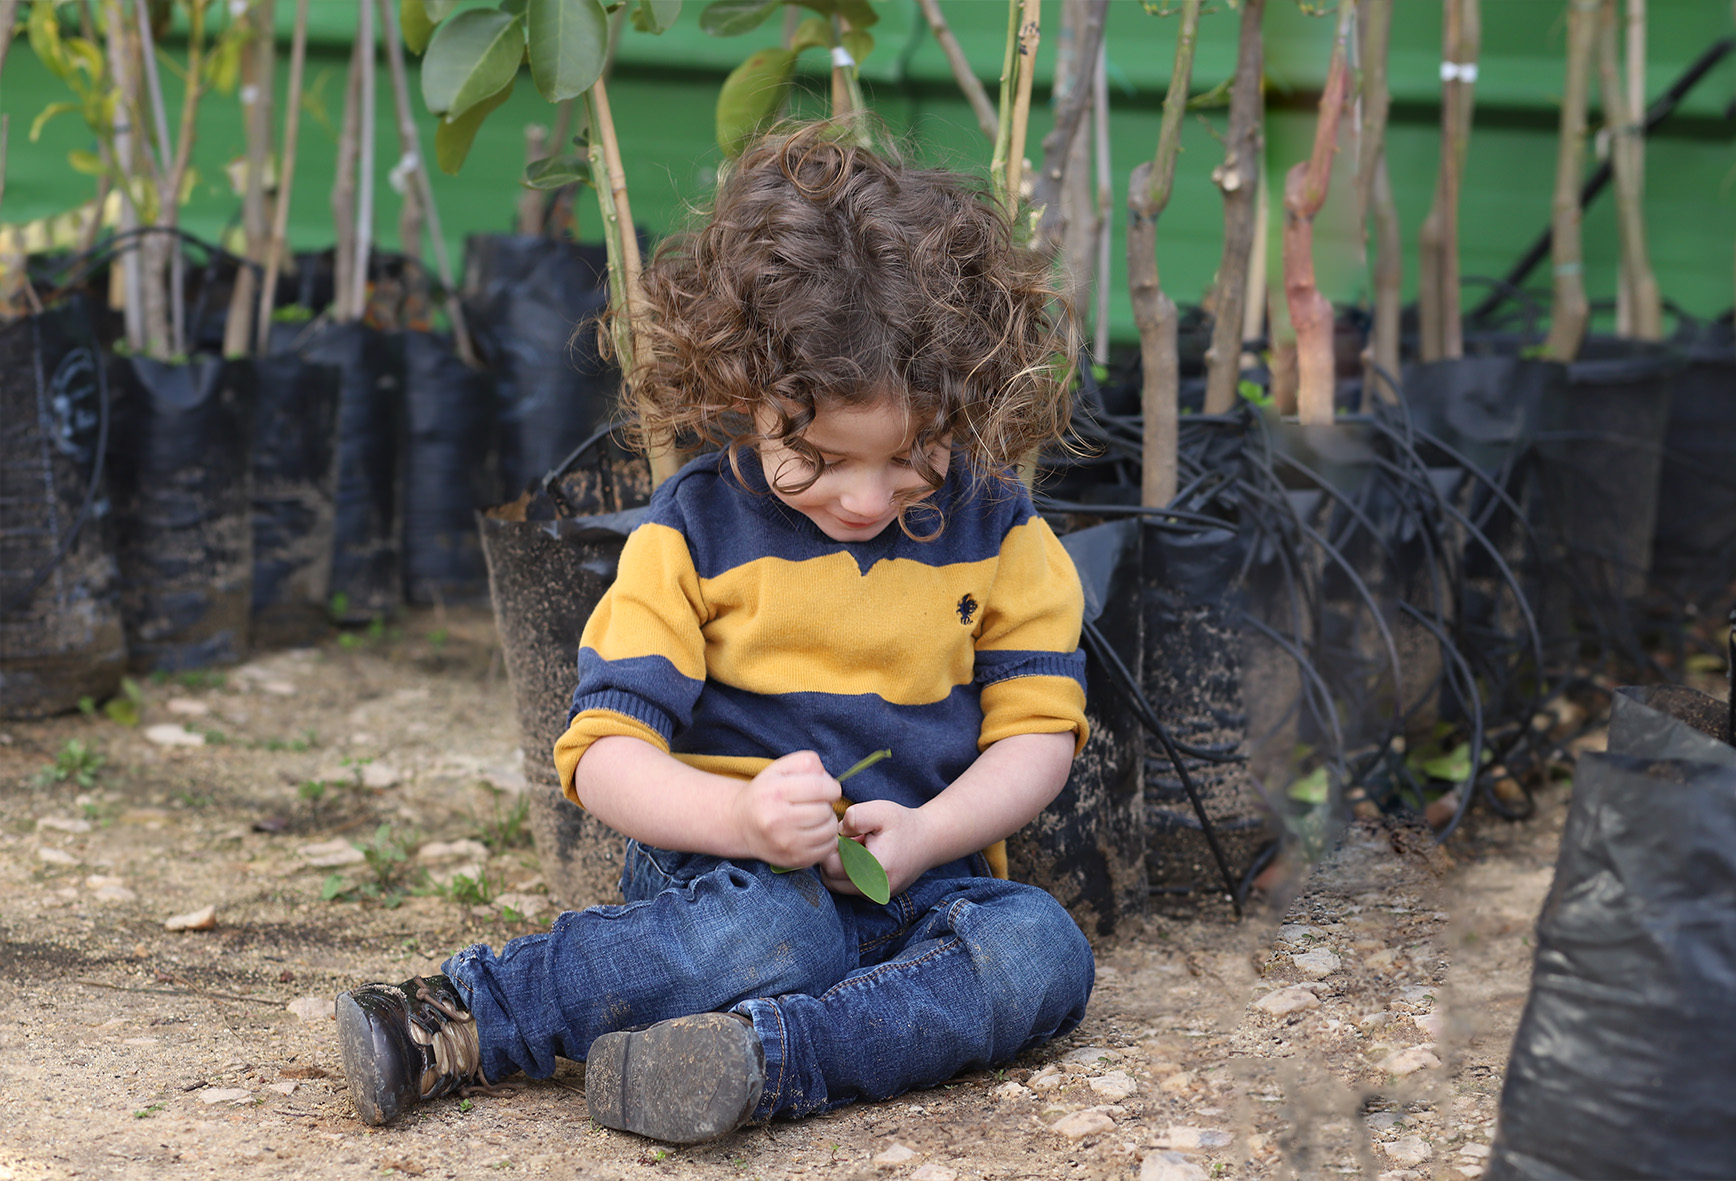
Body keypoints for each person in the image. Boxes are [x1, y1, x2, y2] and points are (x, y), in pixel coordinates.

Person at [334, 121, 1096, 1145]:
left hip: (921, 881)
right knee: (774, 929)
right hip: (724, 879)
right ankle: (460, 1017)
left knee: (1042, 949)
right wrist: (741, 822)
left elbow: (1036, 735)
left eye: (913, 453)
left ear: (965, 401)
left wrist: (925, 834)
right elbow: (603, 758)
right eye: (816, 455)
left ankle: (758, 1060)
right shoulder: (691, 531)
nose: (866, 496)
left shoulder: (1002, 531)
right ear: (742, 391)